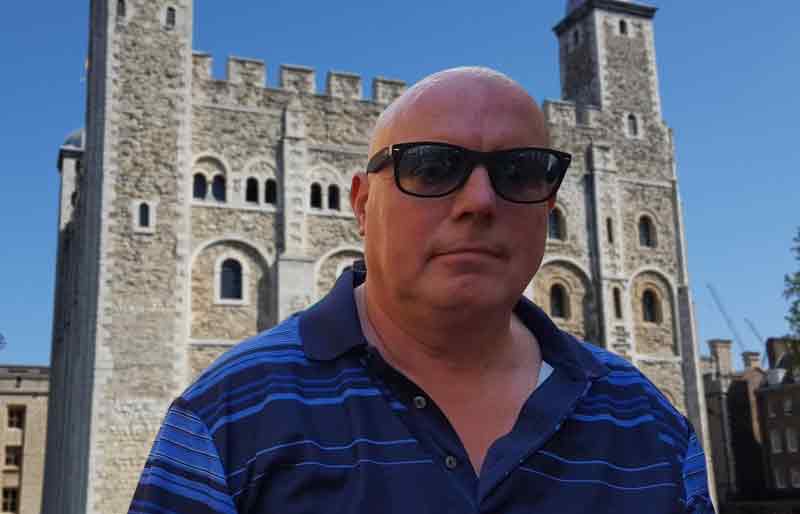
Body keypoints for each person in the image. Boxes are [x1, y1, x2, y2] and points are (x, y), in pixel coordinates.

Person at [128, 67, 714, 514]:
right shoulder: (227, 416)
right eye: (432, 169)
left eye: (518, 172)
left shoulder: (652, 428)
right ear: (360, 204)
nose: (479, 202)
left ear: (549, 209)